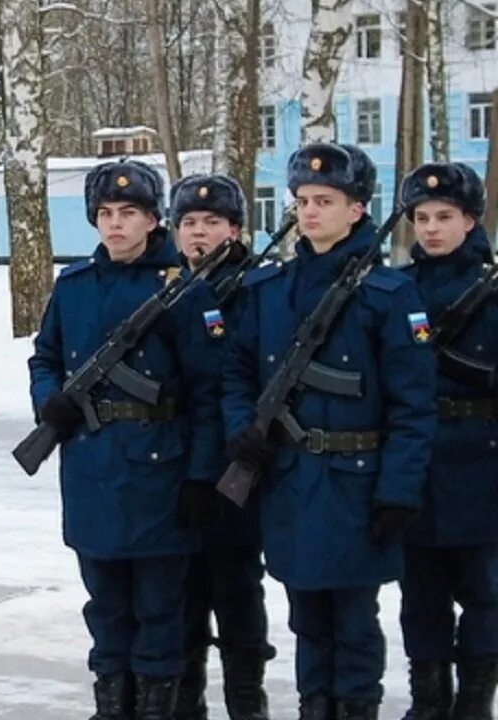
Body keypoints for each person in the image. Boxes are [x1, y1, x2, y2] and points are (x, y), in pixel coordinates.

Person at [222, 143, 436, 720]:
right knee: (306, 618)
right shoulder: (269, 290)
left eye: (325, 200)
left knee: (354, 623)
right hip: (288, 480)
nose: (309, 211)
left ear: (358, 210)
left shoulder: (387, 295)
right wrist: (243, 429)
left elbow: (414, 407)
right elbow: (237, 372)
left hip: (355, 484)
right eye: (302, 201)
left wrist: (398, 490)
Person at [29, 160, 226, 720]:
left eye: (129, 213)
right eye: (106, 214)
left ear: (151, 219)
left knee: (161, 613)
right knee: (107, 610)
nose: (116, 225)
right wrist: (50, 399)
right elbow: (44, 355)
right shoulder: (73, 287)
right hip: (92, 469)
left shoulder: (183, 292)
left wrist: (199, 477)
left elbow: (208, 394)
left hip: (160, 473)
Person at [396, 162, 498, 720]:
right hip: (417, 461)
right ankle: (427, 701)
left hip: (481, 461)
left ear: (470, 221)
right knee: (421, 598)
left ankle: (476, 702)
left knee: (485, 594)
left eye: (444, 216)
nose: (431, 228)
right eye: (421, 218)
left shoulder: (491, 289)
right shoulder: (395, 289)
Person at [170, 174, 272, 720]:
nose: (199, 234)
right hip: (171, 469)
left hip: (236, 469)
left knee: (237, 595)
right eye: (188, 223)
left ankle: (246, 704)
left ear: (235, 230)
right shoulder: (164, 290)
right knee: (181, 601)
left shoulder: (258, 291)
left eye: (212, 223)